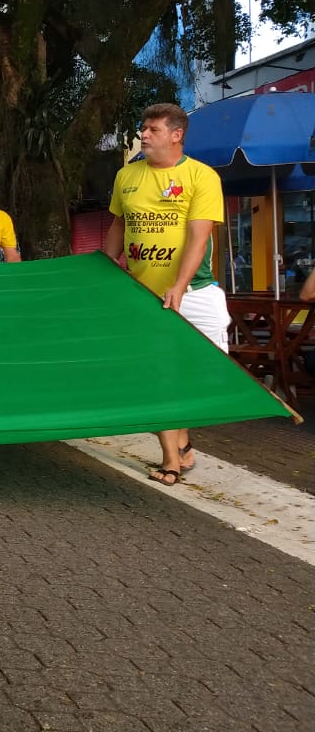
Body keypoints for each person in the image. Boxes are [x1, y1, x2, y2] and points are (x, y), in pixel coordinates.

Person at [104, 102, 229, 487]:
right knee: (158, 376)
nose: (143, 134)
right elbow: (118, 226)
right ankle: (171, 459)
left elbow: (198, 237)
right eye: (143, 128)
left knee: (205, 375)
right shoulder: (126, 175)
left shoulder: (201, 176)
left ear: (176, 135)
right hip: (146, 294)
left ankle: (183, 439)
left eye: (153, 129)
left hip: (196, 291)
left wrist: (178, 285)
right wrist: (105, 270)